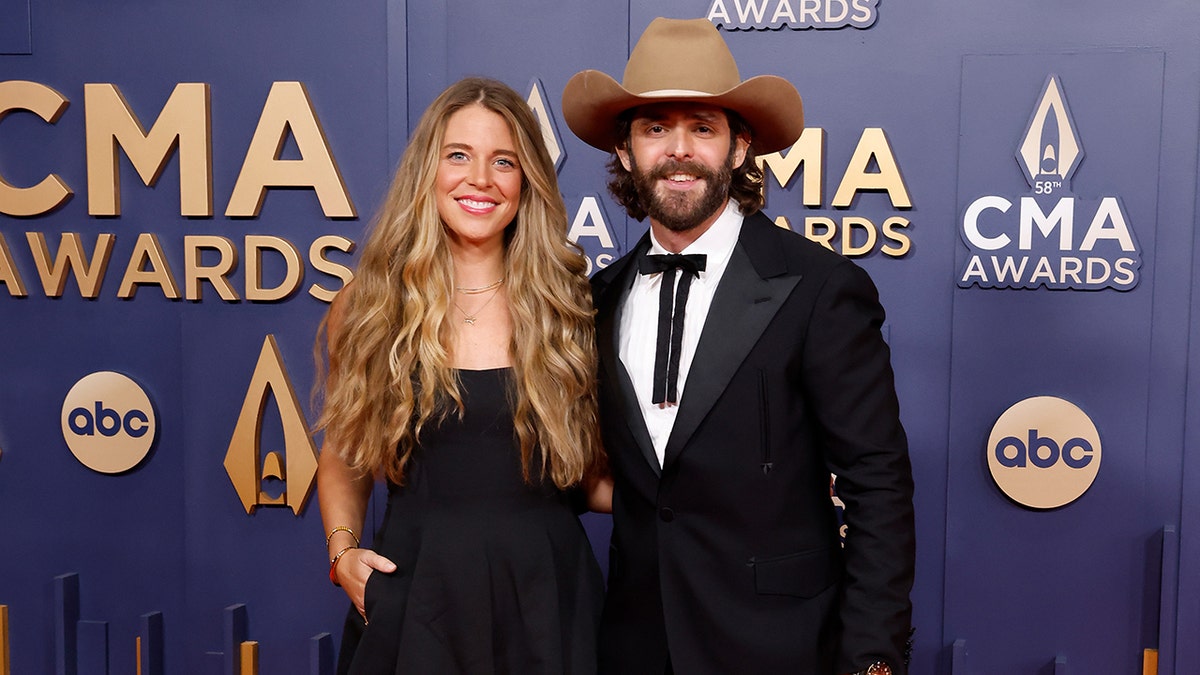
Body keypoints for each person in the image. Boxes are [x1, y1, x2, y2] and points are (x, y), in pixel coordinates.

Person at [561, 17, 915, 675]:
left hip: (783, 648)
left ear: (740, 146)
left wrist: (872, 658)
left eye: (702, 126)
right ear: (625, 150)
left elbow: (878, 486)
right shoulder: (594, 300)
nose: (679, 150)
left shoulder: (818, 287)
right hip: (636, 647)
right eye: (655, 127)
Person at [315, 77, 608, 675]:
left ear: (526, 183)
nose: (481, 179)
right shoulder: (369, 306)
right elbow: (345, 452)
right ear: (428, 170)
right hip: (417, 601)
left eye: (504, 161)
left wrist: (720, 495)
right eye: (459, 156)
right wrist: (342, 550)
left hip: (549, 601)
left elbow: (596, 481)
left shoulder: (572, 307)